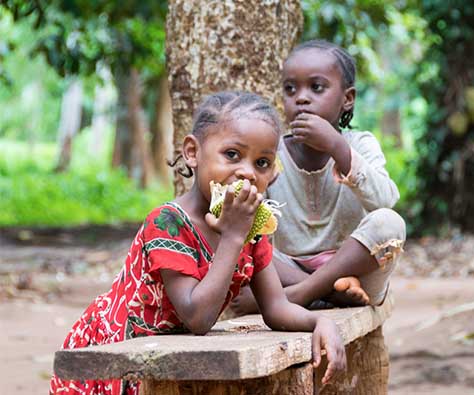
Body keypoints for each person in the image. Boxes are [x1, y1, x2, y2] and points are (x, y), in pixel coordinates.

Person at [49, 91, 346, 395]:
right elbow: (197, 317)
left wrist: (319, 322)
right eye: (232, 154)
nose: (247, 171)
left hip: (172, 360)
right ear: (193, 152)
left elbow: (275, 307)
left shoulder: (249, 228)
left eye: (261, 162)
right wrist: (232, 236)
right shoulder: (167, 223)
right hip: (115, 354)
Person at [231, 40, 406, 315]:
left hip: (357, 275)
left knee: (390, 224)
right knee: (236, 231)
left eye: (316, 87)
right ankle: (327, 293)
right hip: (287, 272)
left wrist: (338, 147)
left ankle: (301, 295)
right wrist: (262, 177)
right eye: (290, 89)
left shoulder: (360, 144)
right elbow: (250, 226)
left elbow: (385, 199)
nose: (301, 98)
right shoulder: (270, 153)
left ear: (347, 98)